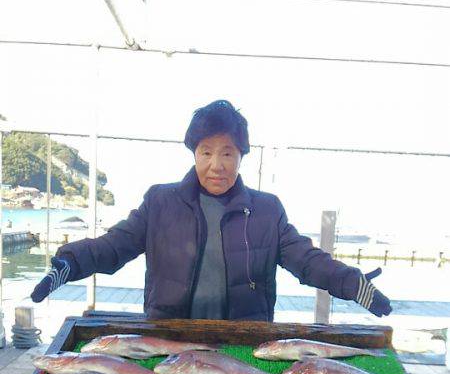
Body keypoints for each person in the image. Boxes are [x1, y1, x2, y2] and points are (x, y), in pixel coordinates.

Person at [31, 100, 391, 321]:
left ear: (241, 156)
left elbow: (306, 260)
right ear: (194, 153)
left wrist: (350, 281)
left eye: (227, 152)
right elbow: (113, 246)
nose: (216, 164)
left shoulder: (267, 211)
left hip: (243, 344)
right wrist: (69, 263)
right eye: (206, 151)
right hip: (170, 339)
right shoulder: (160, 202)